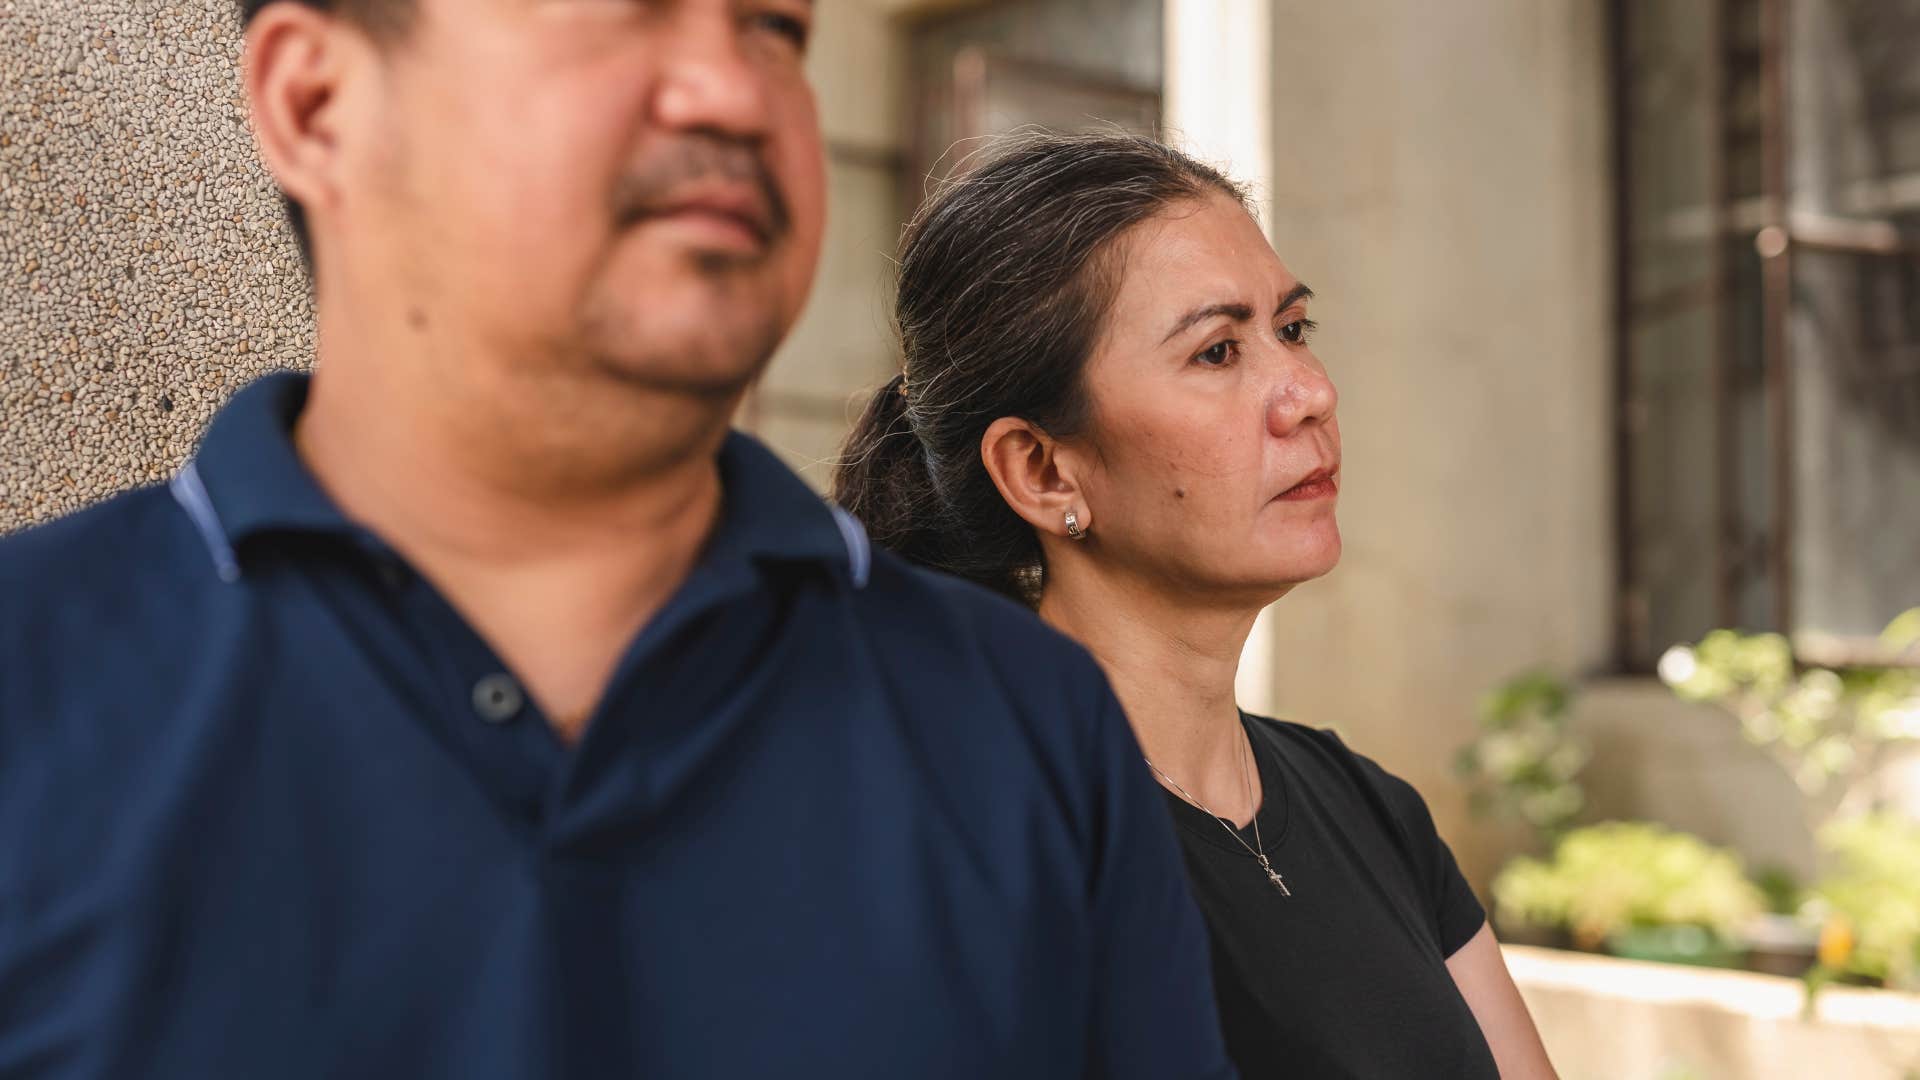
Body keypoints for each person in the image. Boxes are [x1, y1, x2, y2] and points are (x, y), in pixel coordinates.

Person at [0, 6, 1236, 1078]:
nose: (734, 91)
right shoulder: (36, 686)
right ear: (317, 104)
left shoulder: (1027, 724)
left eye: (776, 28)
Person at [835, 132, 1559, 1079]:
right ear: (1044, 469)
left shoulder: (1370, 810)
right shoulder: (959, 847)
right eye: (1218, 352)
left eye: (1292, 330)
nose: (1311, 393)